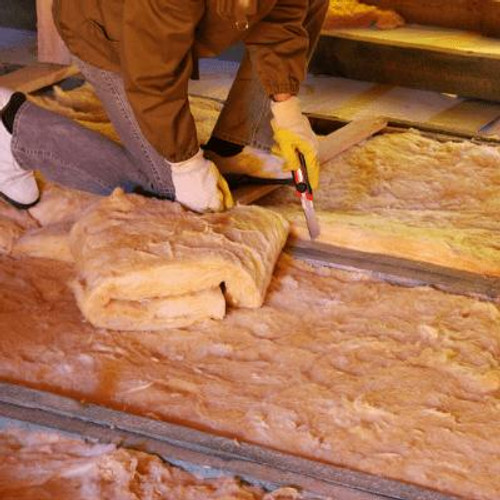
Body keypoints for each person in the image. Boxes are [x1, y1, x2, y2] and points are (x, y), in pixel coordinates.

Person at [0, 0, 328, 212]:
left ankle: (233, 148)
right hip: (109, 37)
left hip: (161, 37)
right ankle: (15, 131)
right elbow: (153, 79)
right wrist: (186, 164)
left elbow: (283, 13)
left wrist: (286, 108)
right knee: (169, 187)